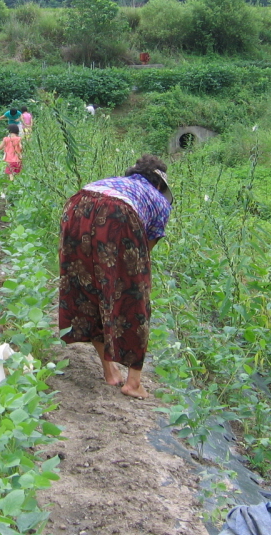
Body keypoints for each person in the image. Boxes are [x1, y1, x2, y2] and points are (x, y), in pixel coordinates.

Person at [58, 154, 172, 399]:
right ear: (160, 185)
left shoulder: (113, 182)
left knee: (89, 290)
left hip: (77, 205)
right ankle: (133, 382)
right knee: (133, 298)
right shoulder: (160, 201)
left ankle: (110, 372)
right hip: (118, 215)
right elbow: (144, 253)